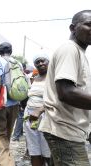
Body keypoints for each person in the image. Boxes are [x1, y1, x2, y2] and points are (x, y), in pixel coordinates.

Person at [38, 10, 91, 166]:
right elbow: (65, 92)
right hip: (65, 131)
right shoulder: (70, 49)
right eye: (88, 24)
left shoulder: (79, 53)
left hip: (70, 130)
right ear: (72, 28)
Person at [0, 42, 20, 166]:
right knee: (6, 135)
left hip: (1, 104)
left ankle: (7, 163)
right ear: (11, 51)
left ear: (0, 51)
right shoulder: (17, 63)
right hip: (15, 103)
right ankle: (2, 162)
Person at [24, 54, 51, 166]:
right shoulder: (34, 79)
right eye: (37, 62)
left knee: (47, 151)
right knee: (34, 149)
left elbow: (56, 99)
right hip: (30, 117)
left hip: (46, 117)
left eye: (42, 61)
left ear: (48, 62)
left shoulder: (52, 78)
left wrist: (40, 110)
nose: (40, 63)